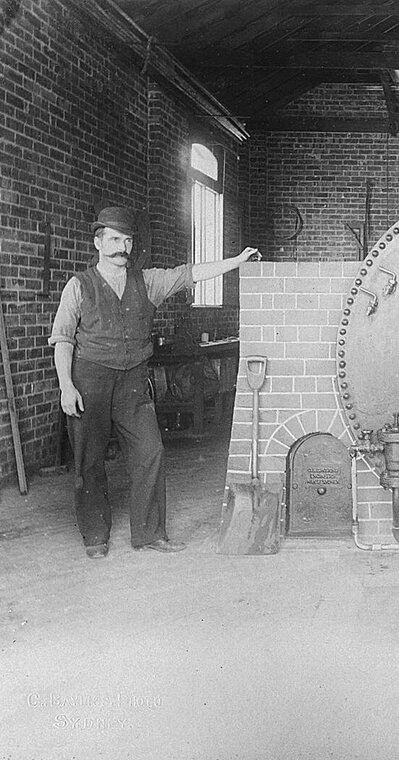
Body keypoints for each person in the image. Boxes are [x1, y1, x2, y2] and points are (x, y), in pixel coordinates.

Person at [49, 206, 260, 558]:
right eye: (114, 239)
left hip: (133, 380)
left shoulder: (147, 283)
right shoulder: (79, 286)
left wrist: (236, 261)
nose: (122, 247)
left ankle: (149, 534)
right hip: (90, 380)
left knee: (150, 451)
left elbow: (188, 274)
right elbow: (63, 339)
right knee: (89, 459)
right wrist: (66, 387)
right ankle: (95, 535)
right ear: (98, 242)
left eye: (127, 240)